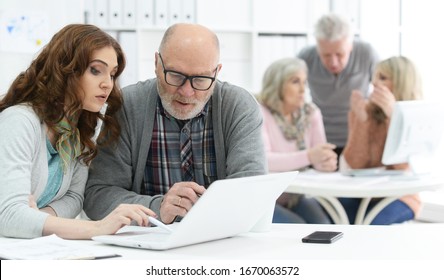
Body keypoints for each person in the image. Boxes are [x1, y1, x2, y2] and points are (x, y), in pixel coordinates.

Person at [83, 23, 266, 224]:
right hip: (149, 242)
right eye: (176, 76)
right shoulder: (128, 106)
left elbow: (252, 192)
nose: (187, 92)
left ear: (216, 72)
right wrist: (158, 208)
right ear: (156, 63)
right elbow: (97, 196)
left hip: (220, 239)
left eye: (201, 79)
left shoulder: (238, 107)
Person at [0, 24, 157, 239]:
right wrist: (98, 228)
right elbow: (8, 215)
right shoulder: (19, 121)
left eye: (112, 74)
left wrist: (35, 218)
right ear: (66, 70)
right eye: (95, 70)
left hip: (28, 246)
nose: (107, 84)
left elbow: (74, 198)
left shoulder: (79, 130)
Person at [340, 56, 423, 224]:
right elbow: (355, 164)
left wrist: (394, 117)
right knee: (331, 221)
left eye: (383, 78)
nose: (374, 84)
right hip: (364, 194)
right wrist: (362, 121)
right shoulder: (368, 111)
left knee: (373, 224)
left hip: (401, 196)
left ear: (401, 83)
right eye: (375, 77)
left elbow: (404, 167)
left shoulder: (416, 115)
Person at [258, 57, 335, 224]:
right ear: (277, 85)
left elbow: (319, 157)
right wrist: (309, 156)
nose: (303, 89)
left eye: (304, 82)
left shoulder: (311, 113)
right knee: (299, 229)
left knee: (325, 227)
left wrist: (326, 161)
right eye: (295, 82)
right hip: (264, 200)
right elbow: (264, 160)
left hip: (295, 197)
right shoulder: (259, 112)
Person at [298, 13, 379, 158]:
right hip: (320, 141)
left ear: (350, 46)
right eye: (326, 55)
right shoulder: (305, 57)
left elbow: (384, 90)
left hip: (360, 138)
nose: (333, 62)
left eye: (340, 54)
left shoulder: (367, 53)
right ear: (318, 48)